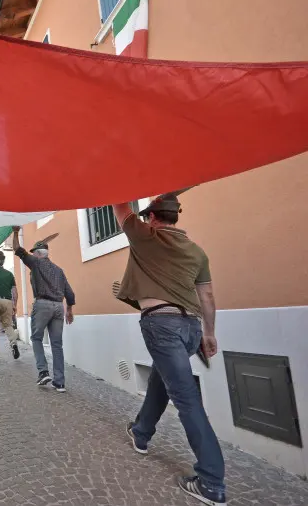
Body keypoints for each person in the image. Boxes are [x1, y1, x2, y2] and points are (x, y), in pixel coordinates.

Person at [112, 194, 226, 505]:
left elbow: (119, 205)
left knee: (186, 398)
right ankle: (141, 432)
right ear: (175, 217)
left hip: (162, 325)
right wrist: (210, 334)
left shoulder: (145, 236)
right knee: (160, 381)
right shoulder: (196, 251)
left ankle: (212, 481)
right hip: (190, 327)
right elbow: (208, 298)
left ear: (151, 217)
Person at [12, 227, 75, 392]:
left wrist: (15, 232)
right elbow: (69, 293)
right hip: (59, 307)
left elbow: (18, 249)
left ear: (39, 254)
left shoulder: (36, 263)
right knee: (57, 344)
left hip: (43, 305)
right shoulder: (59, 271)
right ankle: (60, 383)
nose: (32, 255)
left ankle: (43, 372)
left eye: (34, 253)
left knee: (36, 338)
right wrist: (69, 310)